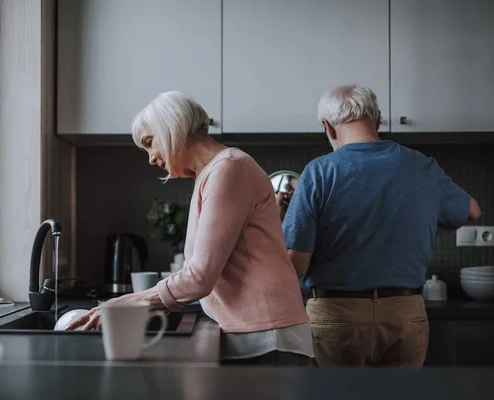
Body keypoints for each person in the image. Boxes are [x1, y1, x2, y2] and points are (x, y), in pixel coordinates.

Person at [68, 91, 314, 365]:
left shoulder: (229, 169)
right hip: (256, 333)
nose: (150, 158)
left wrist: (127, 303)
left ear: (171, 125)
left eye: (150, 143)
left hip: (267, 336)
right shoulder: (213, 173)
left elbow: (199, 277)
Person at [280, 84, 481, 367]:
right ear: (377, 119)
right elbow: (472, 211)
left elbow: (296, 267)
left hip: (337, 318)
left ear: (328, 127)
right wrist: (415, 223)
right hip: (406, 314)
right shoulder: (421, 165)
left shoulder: (319, 172)